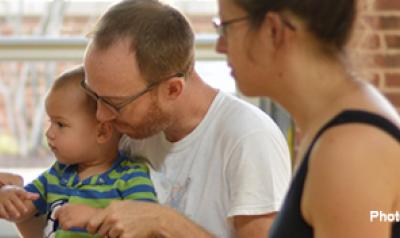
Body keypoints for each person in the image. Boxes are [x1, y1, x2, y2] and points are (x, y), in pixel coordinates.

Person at [59, 0, 292, 237]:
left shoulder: (250, 138)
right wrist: (27, 210)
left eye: (115, 103)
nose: (101, 115)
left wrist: (164, 222)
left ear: (173, 89)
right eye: (93, 95)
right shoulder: (126, 131)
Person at [215, 0, 400, 237]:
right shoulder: (335, 128)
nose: (220, 46)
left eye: (225, 27)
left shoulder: (349, 150)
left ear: (273, 30)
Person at [0, 66, 157, 237]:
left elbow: (145, 227)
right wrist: (8, 195)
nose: (49, 133)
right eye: (50, 122)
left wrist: (95, 217)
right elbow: (22, 210)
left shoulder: (131, 177)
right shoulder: (57, 173)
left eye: (60, 124)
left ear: (102, 132)